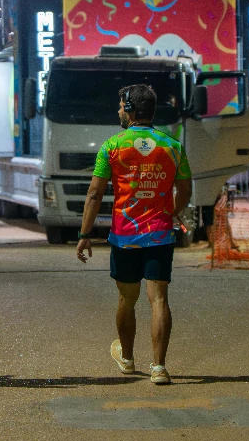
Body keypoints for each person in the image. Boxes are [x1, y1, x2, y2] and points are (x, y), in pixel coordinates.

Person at [76, 84, 192, 385]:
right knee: (159, 300)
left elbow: (94, 193)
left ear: (129, 109)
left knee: (127, 300)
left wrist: (85, 233)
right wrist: (171, 211)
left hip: (125, 236)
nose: (118, 110)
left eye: (120, 106)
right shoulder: (173, 146)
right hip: (160, 235)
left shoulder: (112, 146)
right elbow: (185, 190)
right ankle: (159, 367)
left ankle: (127, 360)